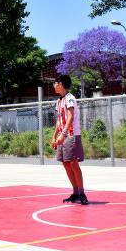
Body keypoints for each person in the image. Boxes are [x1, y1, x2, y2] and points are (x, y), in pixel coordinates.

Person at [51, 74, 88, 205]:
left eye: (55, 83)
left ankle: (82, 193)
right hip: (62, 135)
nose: (54, 85)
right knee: (65, 163)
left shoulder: (70, 98)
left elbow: (71, 117)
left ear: (60, 84)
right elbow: (59, 120)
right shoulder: (59, 101)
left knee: (73, 163)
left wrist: (63, 134)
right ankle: (75, 192)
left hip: (71, 135)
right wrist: (55, 136)